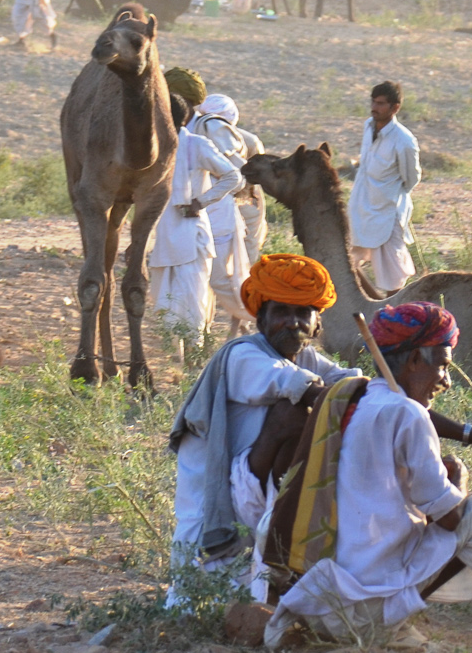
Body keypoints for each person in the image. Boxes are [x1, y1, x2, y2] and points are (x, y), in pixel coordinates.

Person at [263, 303, 472, 649]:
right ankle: (392, 623)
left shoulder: (354, 400)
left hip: (322, 603)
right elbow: (451, 519)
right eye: (442, 366)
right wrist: (459, 481)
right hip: (365, 612)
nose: (447, 381)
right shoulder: (408, 413)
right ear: (413, 362)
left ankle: (387, 616)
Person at [168, 255, 355, 577]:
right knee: (294, 411)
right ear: (261, 319)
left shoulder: (307, 357)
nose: (293, 322)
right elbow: (297, 385)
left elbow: (350, 384)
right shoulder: (243, 355)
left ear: (317, 322)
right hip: (216, 513)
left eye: (302, 313)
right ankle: (284, 528)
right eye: (281, 311)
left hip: (255, 496)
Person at [148, 95, 242, 334]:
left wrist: (200, 202)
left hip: (191, 235)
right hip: (162, 237)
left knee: (192, 305)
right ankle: (178, 362)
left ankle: (192, 363)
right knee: (166, 308)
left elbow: (233, 177)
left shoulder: (196, 145)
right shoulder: (151, 148)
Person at [190, 95, 256, 334]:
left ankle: (252, 321)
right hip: (209, 213)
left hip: (229, 215)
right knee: (211, 278)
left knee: (226, 277)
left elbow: (243, 183)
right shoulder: (193, 138)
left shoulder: (242, 140)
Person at [348, 80, 421, 293]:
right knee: (350, 265)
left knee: (393, 279)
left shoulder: (404, 140)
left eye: (380, 104)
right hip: (361, 208)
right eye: (373, 102)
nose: (374, 108)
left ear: (395, 107)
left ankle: (395, 316)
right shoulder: (368, 126)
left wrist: (387, 191)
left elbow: (411, 179)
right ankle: (375, 305)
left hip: (388, 215)